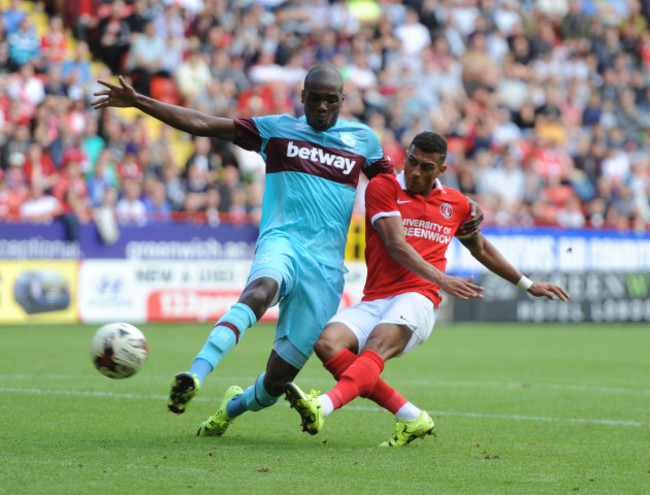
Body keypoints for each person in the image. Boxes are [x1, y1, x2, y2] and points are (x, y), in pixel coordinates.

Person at [91, 66, 484, 437]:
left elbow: (402, 187)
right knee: (261, 289)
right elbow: (204, 124)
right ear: (302, 97)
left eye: (331, 99)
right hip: (282, 243)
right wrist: (140, 101)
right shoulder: (276, 130)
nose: (322, 107)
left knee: (276, 383)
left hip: (325, 272)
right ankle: (195, 374)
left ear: (343, 100)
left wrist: (462, 206)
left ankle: (230, 408)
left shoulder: (363, 141)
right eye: (315, 98)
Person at [283, 132, 570, 447]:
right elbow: (396, 245)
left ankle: (321, 406)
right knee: (328, 343)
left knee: (374, 348)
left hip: (419, 297)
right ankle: (411, 416)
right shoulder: (384, 187)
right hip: (377, 297)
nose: (416, 172)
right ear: (406, 157)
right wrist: (444, 278)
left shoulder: (456, 204)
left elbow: (481, 249)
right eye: (412, 162)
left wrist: (527, 284)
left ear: (441, 171)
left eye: (426, 167)